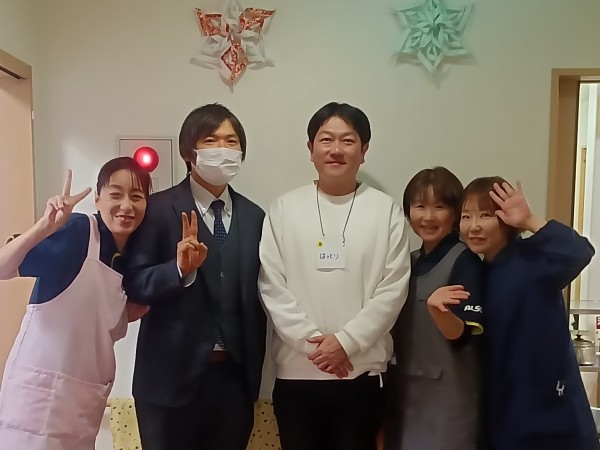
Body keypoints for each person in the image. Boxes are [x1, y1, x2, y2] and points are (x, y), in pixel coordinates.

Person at [258, 102, 411, 450]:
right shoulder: (283, 209)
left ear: (364, 149)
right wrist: (315, 344)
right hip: (297, 374)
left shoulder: (385, 211)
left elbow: (393, 289)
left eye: (348, 140)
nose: (336, 149)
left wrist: (346, 342)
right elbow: (271, 286)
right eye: (326, 139)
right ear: (310, 148)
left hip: (362, 373)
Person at [123, 103, 266, 450]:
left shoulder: (255, 217)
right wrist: (178, 270)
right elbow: (133, 283)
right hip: (167, 383)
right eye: (211, 140)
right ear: (189, 151)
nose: (223, 149)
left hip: (233, 382)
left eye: (231, 141)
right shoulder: (156, 209)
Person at [0, 157, 152, 450]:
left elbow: (97, 321)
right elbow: (3, 268)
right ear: (97, 199)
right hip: (37, 402)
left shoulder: (131, 260)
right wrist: (44, 227)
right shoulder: (79, 232)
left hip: (83, 405)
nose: (126, 206)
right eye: (116, 194)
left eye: (136, 197)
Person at [460, 177, 599, 450]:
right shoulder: (474, 273)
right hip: (503, 414)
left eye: (485, 215)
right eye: (466, 216)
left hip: (551, 412)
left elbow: (581, 251)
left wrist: (529, 220)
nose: (473, 226)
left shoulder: (533, 257)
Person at [384, 167, 484, 450]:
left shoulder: (465, 262)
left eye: (439, 207)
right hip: (403, 393)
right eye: (420, 206)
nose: (428, 217)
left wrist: (439, 310)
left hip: (447, 401)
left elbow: (462, 335)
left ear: (455, 214)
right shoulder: (407, 261)